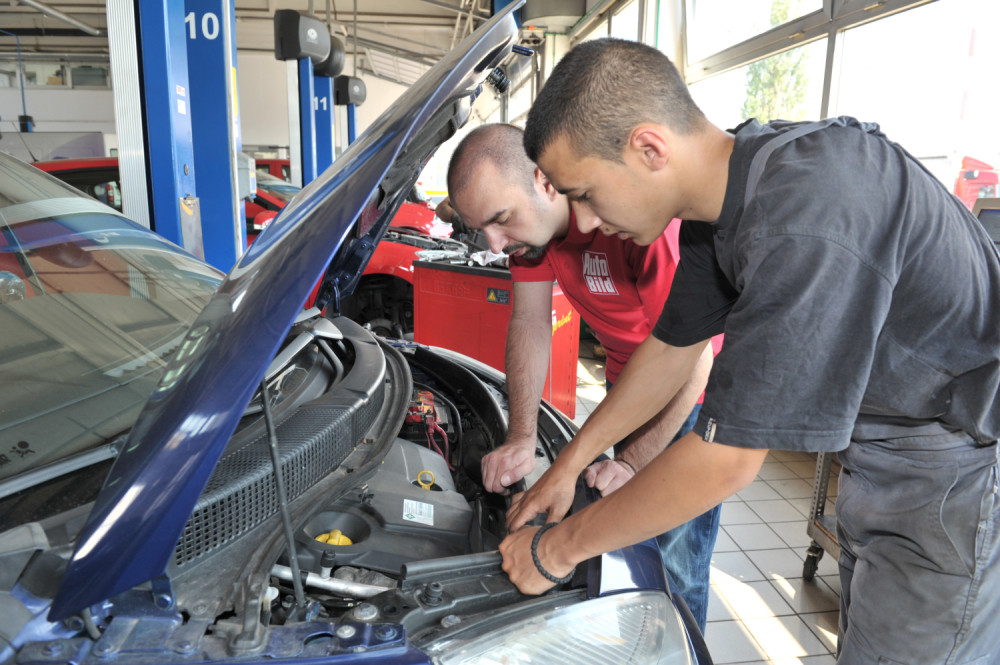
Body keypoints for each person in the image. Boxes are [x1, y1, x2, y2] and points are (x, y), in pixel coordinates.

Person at [497, 37, 1000, 665]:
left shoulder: (806, 215)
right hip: (888, 450)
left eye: (587, 193)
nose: (590, 223)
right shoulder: (733, 188)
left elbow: (726, 461)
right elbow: (672, 350)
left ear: (649, 148)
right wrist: (568, 468)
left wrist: (558, 550)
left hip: (956, 465)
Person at [441, 123, 721, 630]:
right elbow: (529, 322)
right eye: (483, 229)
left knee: (675, 564)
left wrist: (633, 462)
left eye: (502, 220)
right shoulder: (535, 239)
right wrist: (521, 437)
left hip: (692, 399)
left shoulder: (640, 225)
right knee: (625, 541)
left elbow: (693, 358)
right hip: (628, 388)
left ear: (546, 183)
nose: (496, 243)